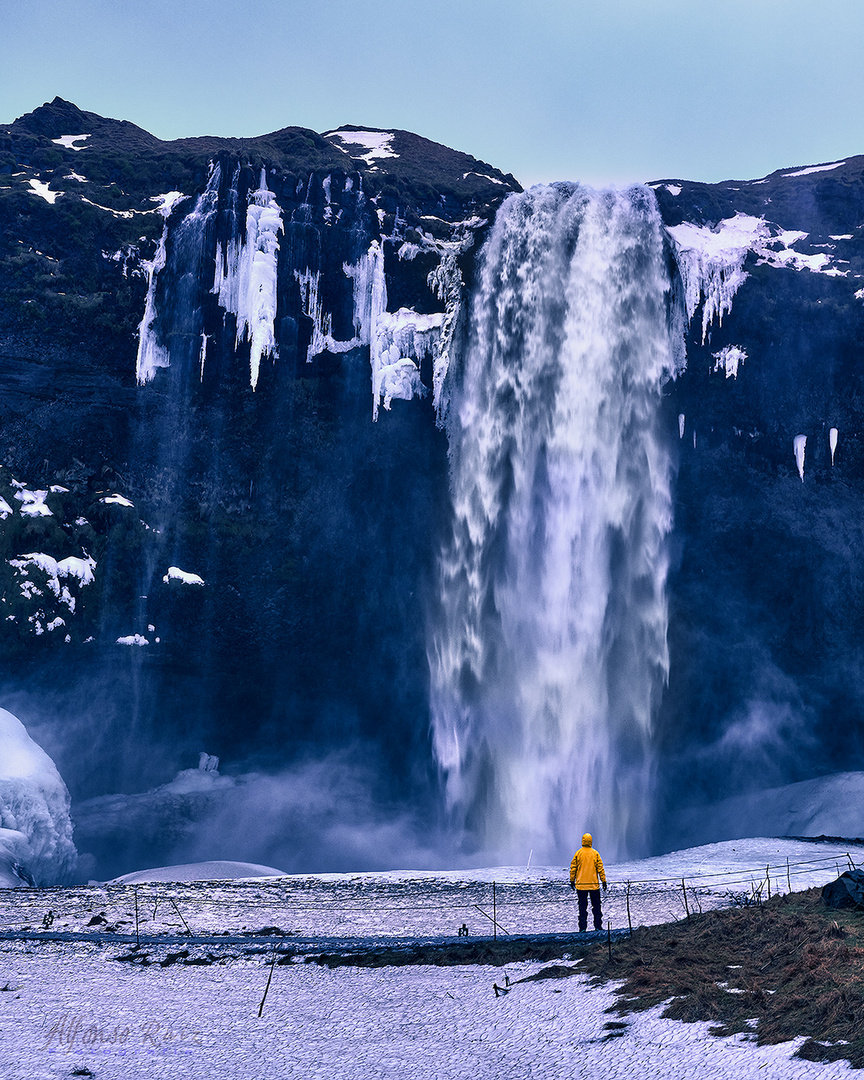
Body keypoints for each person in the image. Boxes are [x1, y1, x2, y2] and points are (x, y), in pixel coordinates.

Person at [569, 832, 607, 932]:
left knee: (582, 907)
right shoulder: (595, 853)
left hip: (581, 886)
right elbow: (600, 869)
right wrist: (603, 881)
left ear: (582, 841)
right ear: (591, 841)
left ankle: (582, 928)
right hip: (594, 885)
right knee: (597, 907)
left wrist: (572, 880)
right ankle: (598, 927)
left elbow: (573, 868)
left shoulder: (578, 853)